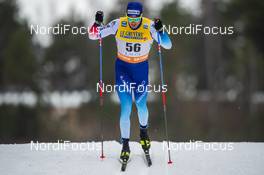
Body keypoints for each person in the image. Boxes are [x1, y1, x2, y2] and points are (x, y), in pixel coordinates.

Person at [88, 1, 172, 163]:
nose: (132, 21)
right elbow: (93, 35)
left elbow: (167, 45)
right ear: (126, 15)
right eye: (130, 17)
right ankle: (125, 145)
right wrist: (97, 23)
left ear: (141, 15)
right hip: (123, 69)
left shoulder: (149, 26)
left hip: (140, 69)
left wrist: (161, 30)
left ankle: (143, 133)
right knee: (126, 108)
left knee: (141, 105)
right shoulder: (119, 24)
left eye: (136, 18)